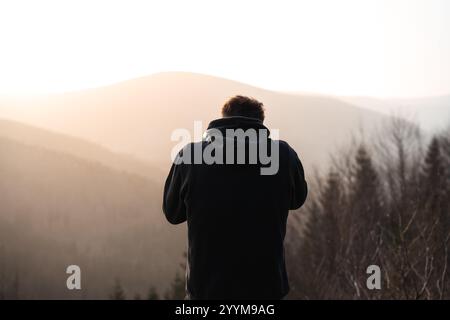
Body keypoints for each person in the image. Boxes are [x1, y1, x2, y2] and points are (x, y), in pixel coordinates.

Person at [163, 95, 308, 299]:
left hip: (206, 290)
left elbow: (172, 213)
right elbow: (298, 200)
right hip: (266, 288)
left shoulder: (191, 154)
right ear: (260, 122)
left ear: (223, 118)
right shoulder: (283, 155)